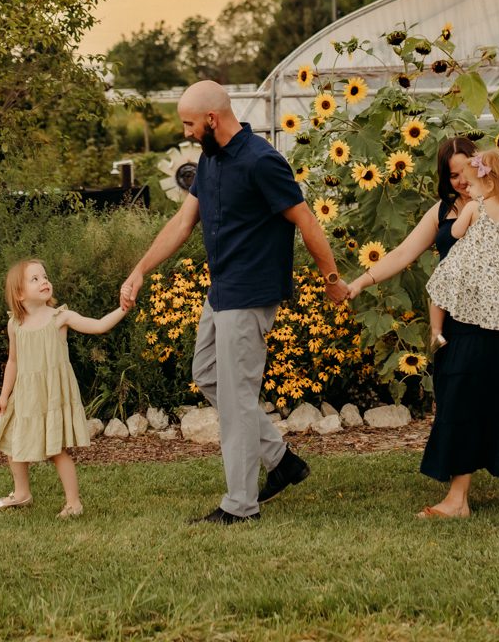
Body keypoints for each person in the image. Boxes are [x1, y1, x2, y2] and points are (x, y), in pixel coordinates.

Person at [119, 81, 348, 524]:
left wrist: (332, 279)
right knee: (207, 375)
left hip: (251, 293)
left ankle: (240, 506)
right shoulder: (210, 159)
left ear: (211, 118)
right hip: (221, 290)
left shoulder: (262, 161)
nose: (185, 132)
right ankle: (281, 461)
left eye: (189, 123)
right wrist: (140, 269)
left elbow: (306, 220)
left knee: (237, 396)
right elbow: (182, 222)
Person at [345, 139, 499, 518]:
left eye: (464, 172)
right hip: (455, 318)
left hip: (493, 317)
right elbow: (403, 253)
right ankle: (482, 493)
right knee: (477, 396)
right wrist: (360, 282)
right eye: (452, 175)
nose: (460, 181)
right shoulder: (442, 212)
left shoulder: (497, 206)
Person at [0, 258, 128, 518]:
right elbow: (13, 361)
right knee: (14, 444)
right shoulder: (15, 324)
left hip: (51, 396)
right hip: (25, 396)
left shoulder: (60, 317)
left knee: (56, 451)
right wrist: (4, 396)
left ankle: (74, 503)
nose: (44, 281)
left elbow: (98, 326)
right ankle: (22, 493)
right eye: (35, 279)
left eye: (45, 276)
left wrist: (123, 308)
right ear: (19, 294)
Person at [426, 148, 499, 334]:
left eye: (471, 185)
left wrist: (462, 224)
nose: (467, 188)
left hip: (475, 266)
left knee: (441, 287)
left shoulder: (474, 206)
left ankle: (436, 332)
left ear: (488, 185)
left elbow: (456, 232)